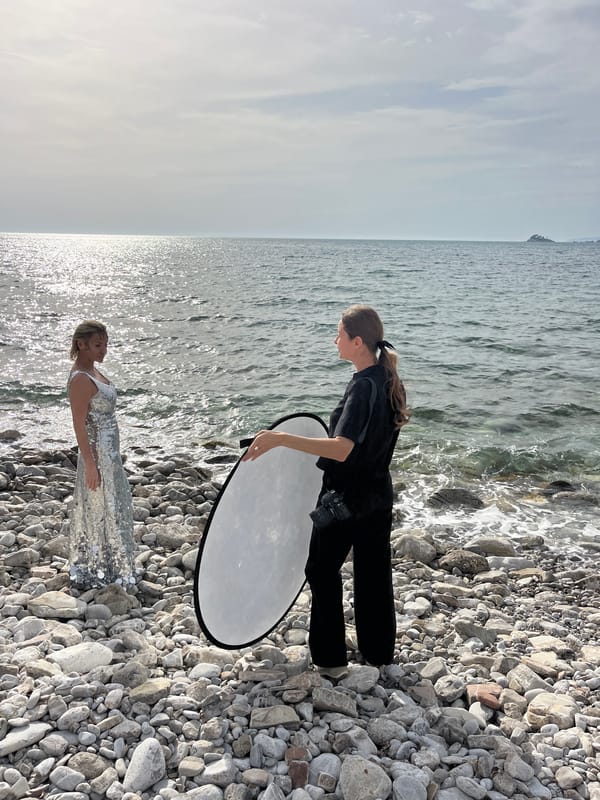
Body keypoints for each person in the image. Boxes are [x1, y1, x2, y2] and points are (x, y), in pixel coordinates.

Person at [243, 304, 409, 679]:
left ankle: (332, 661)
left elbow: (343, 447)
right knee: (372, 573)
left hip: (344, 500)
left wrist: (280, 438)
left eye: (339, 335)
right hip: (378, 495)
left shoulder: (363, 386)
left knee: (321, 570)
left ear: (357, 341)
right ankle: (378, 653)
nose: (334, 341)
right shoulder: (385, 379)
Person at [67, 320, 136, 590]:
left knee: (116, 504)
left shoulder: (92, 371)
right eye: (97, 345)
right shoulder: (80, 379)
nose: (103, 350)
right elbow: (78, 423)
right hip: (98, 455)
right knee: (102, 506)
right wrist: (91, 464)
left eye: (105, 344)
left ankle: (117, 565)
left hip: (110, 452)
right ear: (81, 344)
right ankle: (102, 569)